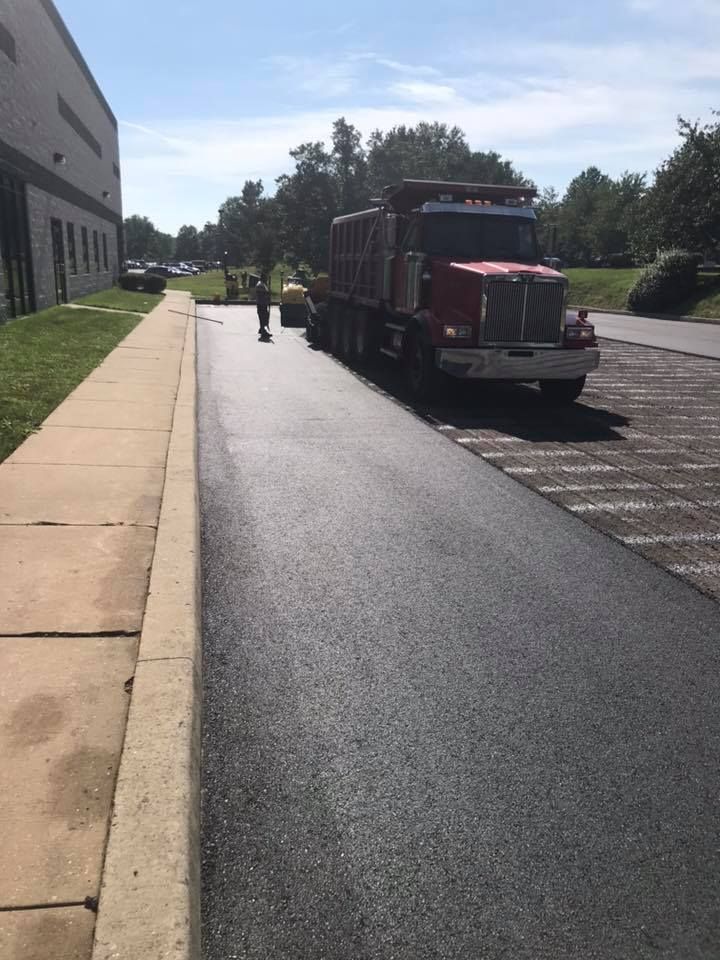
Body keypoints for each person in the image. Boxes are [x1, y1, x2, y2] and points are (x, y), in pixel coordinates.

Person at [255, 275, 271, 340]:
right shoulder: (260, 285)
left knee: (264, 317)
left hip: (263, 303)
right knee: (263, 317)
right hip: (261, 303)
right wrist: (267, 296)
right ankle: (263, 330)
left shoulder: (262, 284)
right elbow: (262, 294)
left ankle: (262, 329)